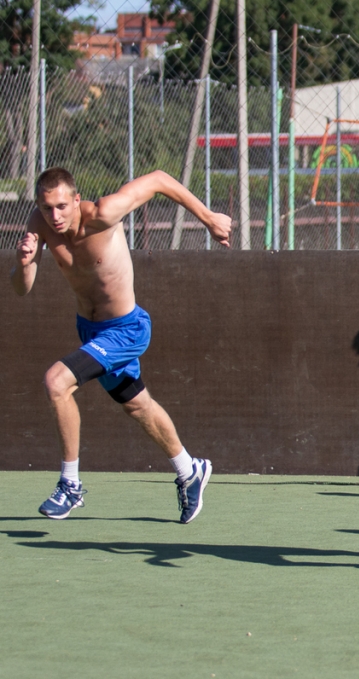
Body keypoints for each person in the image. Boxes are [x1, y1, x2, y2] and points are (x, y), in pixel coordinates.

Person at [10, 167, 232, 523]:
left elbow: (159, 179)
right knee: (137, 405)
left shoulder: (103, 213)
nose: (55, 216)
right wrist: (22, 264)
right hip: (91, 332)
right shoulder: (40, 223)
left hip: (126, 330)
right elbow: (22, 288)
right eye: (47, 207)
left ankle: (70, 485)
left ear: (77, 200)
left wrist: (208, 218)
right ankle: (189, 470)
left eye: (62, 206)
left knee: (57, 382)